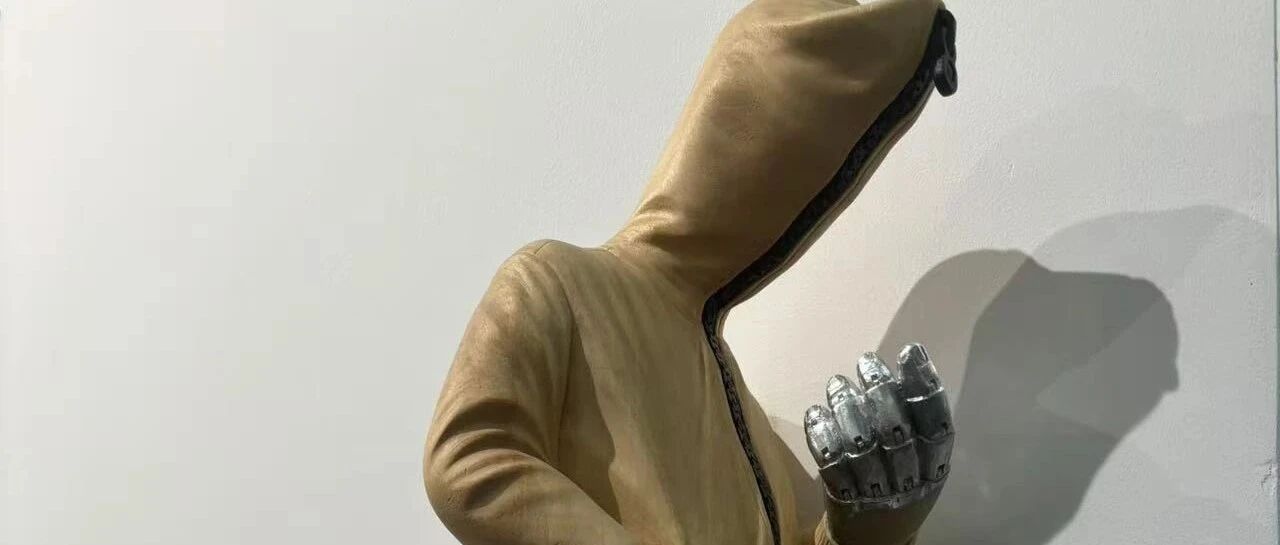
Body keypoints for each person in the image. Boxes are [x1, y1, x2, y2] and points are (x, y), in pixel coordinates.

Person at [424, 1, 958, 543]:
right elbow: (469, 458)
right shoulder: (554, 282)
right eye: (788, 157)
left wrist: (872, 525)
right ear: (720, 129)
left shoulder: (746, 416)